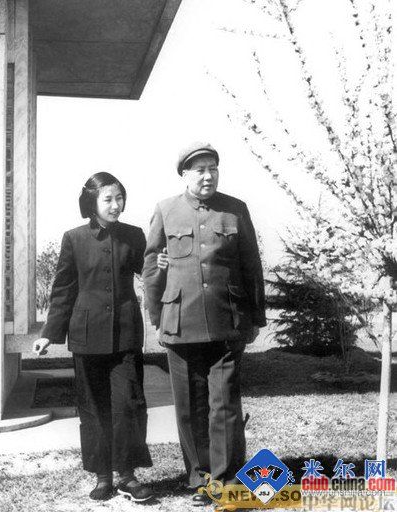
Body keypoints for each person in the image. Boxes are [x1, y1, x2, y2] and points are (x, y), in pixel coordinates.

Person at [143, 142, 266, 506]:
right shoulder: (166, 210)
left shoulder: (235, 209)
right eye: (200, 170)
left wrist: (256, 317)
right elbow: (152, 268)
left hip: (227, 322)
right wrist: (156, 317)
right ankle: (201, 479)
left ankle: (226, 481)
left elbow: (251, 266)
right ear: (185, 175)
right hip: (180, 323)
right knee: (190, 407)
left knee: (224, 404)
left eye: (213, 168)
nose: (208, 175)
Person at [33, 172, 153, 503]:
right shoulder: (74, 238)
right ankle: (103, 476)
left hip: (126, 335)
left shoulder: (134, 235)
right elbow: (63, 289)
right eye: (108, 199)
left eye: (119, 198)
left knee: (128, 404)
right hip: (86, 337)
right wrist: (49, 334)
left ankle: (127, 476)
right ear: (92, 202)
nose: (116, 205)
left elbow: (150, 271)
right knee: (93, 408)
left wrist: (161, 263)